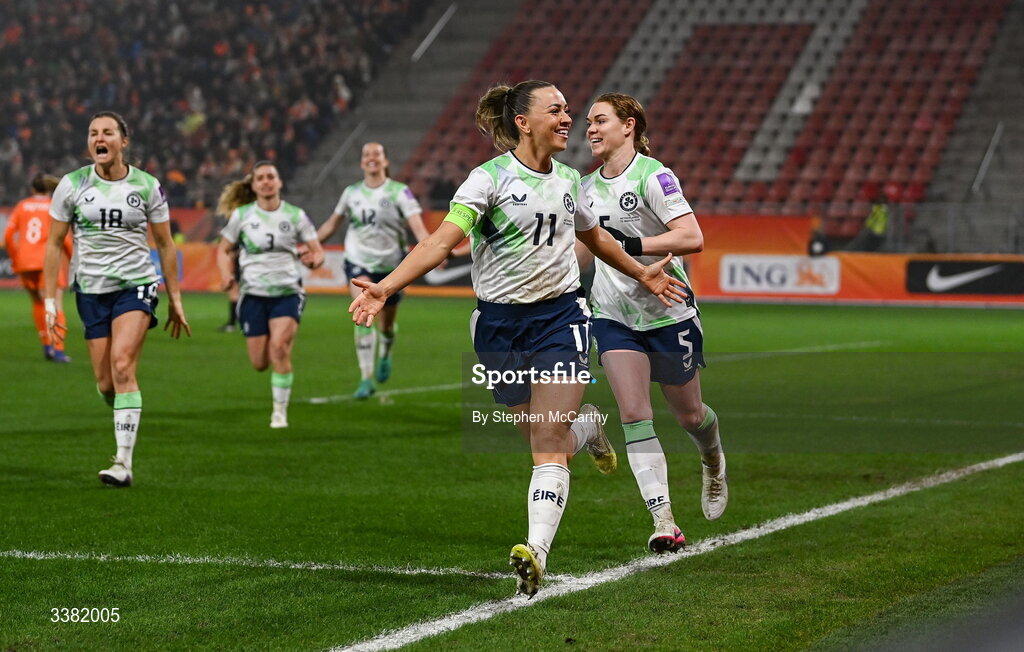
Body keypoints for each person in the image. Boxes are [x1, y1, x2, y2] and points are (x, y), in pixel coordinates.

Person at [349, 80, 689, 597]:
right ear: (524, 123)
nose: (569, 118)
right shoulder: (487, 182)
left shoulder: (571, 180)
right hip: (496, 326)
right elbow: (443, 240)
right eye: (556, 110)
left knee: (546, 445)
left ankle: (536, 553)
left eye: (568, 109)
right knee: (537, 433)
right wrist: (386, 287)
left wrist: (642, 273)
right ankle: (590, 427)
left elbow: (594, 237)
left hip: (560, 319)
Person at [577, 93, 728, 553]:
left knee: (689, 416)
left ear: (629, 125)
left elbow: (692, 236)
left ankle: (713, 461)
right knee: (634, 414)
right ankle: (664, 520)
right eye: (587, 122)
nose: (590, 129)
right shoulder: (582, 187)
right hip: (613, 315)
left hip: (668, 311)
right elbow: (584, 252)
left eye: (600, 120)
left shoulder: (653, 175)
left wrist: (632, 246)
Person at [43, 111, 191, 488]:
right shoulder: (72, 185)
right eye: (93, 133)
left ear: (124, 141)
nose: (99, 138)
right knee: (107, 383)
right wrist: (50, 301)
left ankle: (123, 463)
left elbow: (164, 244)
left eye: (107, 132)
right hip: (91, 291)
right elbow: (53, 245)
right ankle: (127, 410)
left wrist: (174, 298)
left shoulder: (147, 186)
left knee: (123, 364)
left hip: (136, 286)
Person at [318, 142, 461, 398]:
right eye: (367, 155)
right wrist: (312, 245)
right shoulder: (351, 193)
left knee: (385, 325)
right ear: (362, 162)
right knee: (362, 314)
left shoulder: (399, 192)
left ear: (385, 161)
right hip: (358, 261)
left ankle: (385, 349)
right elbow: (331, 224)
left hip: (391, 268)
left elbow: (417, 227)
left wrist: (434, 251)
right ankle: (365, 378)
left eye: (377, 154)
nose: (371, 158)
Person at [216, 160, 324, 428]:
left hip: (287, 292)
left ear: (279, 182)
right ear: (253, 185)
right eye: (260, 178)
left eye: (270, 177)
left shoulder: (296, 215)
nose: (266, 181)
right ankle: (278, 384)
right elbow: (222, 249)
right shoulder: (242, 216)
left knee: (279, 348)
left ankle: (279, 412)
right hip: (252, 294)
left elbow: (317, 250)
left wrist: (314, 261)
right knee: (259, 363)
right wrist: (226, 275)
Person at [4, 172, 73, 362]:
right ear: (48, 189)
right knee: (55, 304)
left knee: (37, 303)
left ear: (32, 189)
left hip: (25, 262)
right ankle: (57, 349)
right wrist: (74, 259)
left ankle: (46, 345)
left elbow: (9, 236)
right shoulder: (53, 206)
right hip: (47, 261)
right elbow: (64, 238)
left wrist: (16, 258)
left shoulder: (22, 206)